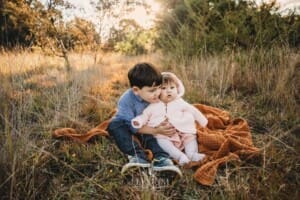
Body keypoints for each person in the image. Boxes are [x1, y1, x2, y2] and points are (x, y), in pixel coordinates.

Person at [107, 63, 181, 174]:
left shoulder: (160, 94)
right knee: (114, 125)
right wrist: (155, 130)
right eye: (152, 90)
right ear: (136, 90)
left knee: (155, 136)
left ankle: (162, 159)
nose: (157, 93)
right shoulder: (126, 100)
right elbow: (131, 126)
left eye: (159, 88)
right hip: (129, 125)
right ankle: (138, 157)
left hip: (150, 126)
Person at [131, 72, 208, 166]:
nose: (169, 91)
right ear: (158, 91)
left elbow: (193, 110)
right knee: (162, 142)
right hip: (165, 133)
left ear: (178, 89)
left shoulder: (179, 102)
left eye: (172, 88)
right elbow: (144, 116)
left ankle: (191, 154)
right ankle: (180, 157)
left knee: (190, 138)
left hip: (182, 130)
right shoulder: (153, 105)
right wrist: (138, 121)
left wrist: (203, 121)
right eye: (164, 88)